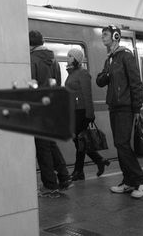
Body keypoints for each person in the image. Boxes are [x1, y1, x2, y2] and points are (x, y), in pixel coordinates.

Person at [96, 25, 143, 199]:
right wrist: (106, 75)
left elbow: (135, 82)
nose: (103, 37)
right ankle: (128, 181)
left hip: (125, 107)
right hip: (114, 106)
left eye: (106, 34)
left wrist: (137, 108)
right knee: (120, 145)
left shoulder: (126, 56)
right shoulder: (110, 59)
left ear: (116, 36)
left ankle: (141, 180)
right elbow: (100, 81)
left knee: (122, 144)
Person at [29, 30, 72, 197]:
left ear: (30, 44)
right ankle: (64, 178)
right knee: (51, 145)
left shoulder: (32, 60)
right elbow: (58, 84)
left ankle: (50, 185)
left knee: (43, 148)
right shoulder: (53, 61)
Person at [64, 48, 110, 181]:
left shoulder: (83, 73)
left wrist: (89, 114)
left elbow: (87, 95)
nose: (67, 58)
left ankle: (79, 171)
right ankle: (99, 161)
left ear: (76, 59)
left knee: (79, 141)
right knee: (80, 141)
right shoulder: (71, 73)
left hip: (81, 112)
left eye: (70, 56)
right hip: (74, 112)